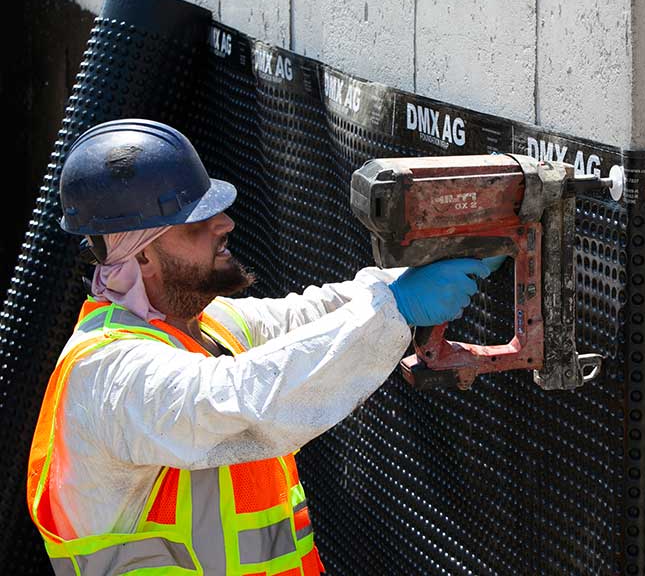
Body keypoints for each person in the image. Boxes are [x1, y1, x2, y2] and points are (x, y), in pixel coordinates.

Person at [27, 119, 500, 575]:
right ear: (143, 254)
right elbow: (240, 400)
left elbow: (307, 321)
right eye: (195, 223)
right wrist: (396, 307)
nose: (225, 224)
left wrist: (422, 274)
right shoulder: (109, 374)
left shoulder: (201, 327)